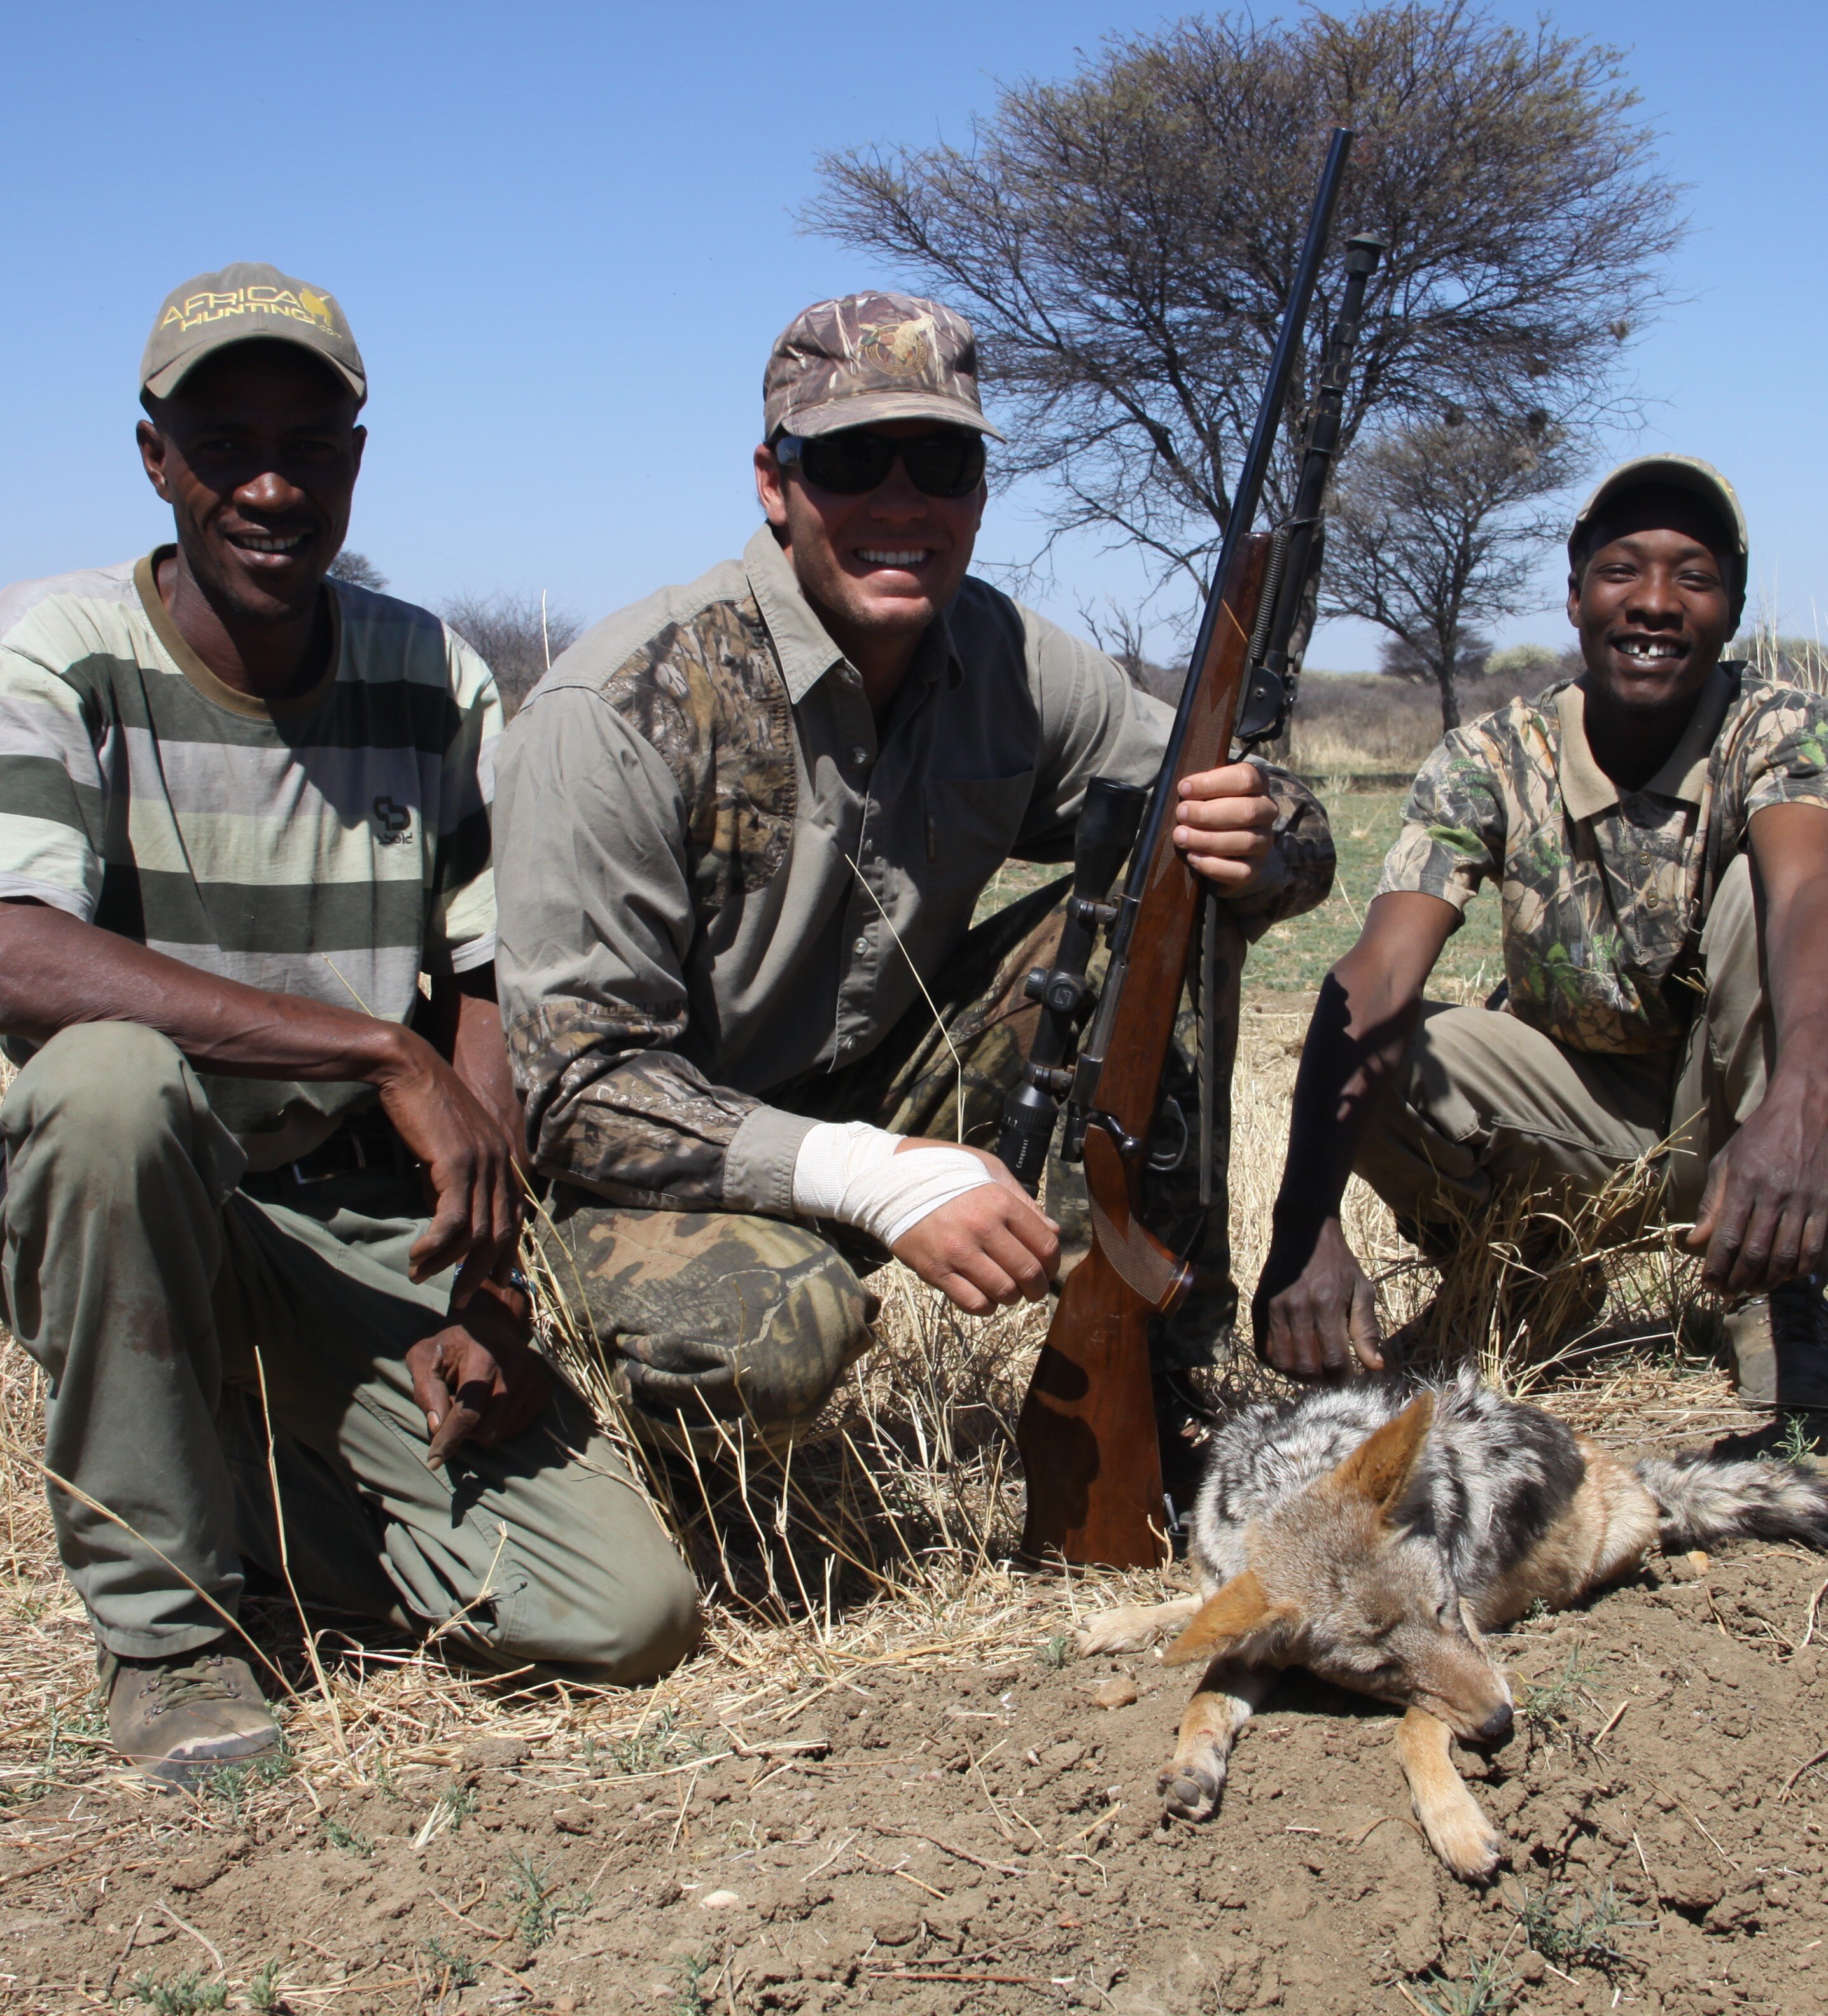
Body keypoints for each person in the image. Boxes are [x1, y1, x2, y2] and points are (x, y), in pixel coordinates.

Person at [0, 263, 697, 1782]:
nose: (270, 485)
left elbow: (486, 994)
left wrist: (490, 1296)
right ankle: (170, 1633)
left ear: (357, 460)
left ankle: (240, 1489)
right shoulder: (47, 645)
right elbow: (6, 957)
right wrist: (369, 1049)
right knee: (114, 1085)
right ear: (156, 459)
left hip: (356, 1229)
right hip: (149, 1198)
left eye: (310, 445)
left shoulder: (428, 672)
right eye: (224, 443)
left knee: (625, 1616)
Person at [492, 293, 1334, 1455]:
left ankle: (1166, 1390)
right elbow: (580, 1096)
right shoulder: (615, 710)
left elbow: (1268, 817)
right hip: (664, 1171)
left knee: (1173, 900)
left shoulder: (1015, 659)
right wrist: (874, 1177)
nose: (901, 502)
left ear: (980, 493)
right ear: (773, 479)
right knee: (774, 1331)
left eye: (940, 461)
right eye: (849, 459)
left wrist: (1264, 832)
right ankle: (671, 1475)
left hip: (885, 1095)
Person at [1253, 456, 1828, 1408]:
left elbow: (1816, 895)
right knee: (1379, 1040)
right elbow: (1377, 972)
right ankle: (1529, 1279)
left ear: (1735, 605)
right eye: (1623, 571)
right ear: (1577, 595)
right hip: (1577, 1117)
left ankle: (1778, 1294)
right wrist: (1305, 1221)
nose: (1656, 603)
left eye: (1695, 577)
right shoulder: (1494, 755)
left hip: (1736, 1116)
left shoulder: (1778, 727)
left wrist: (1801, 1109)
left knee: (1769, 892)